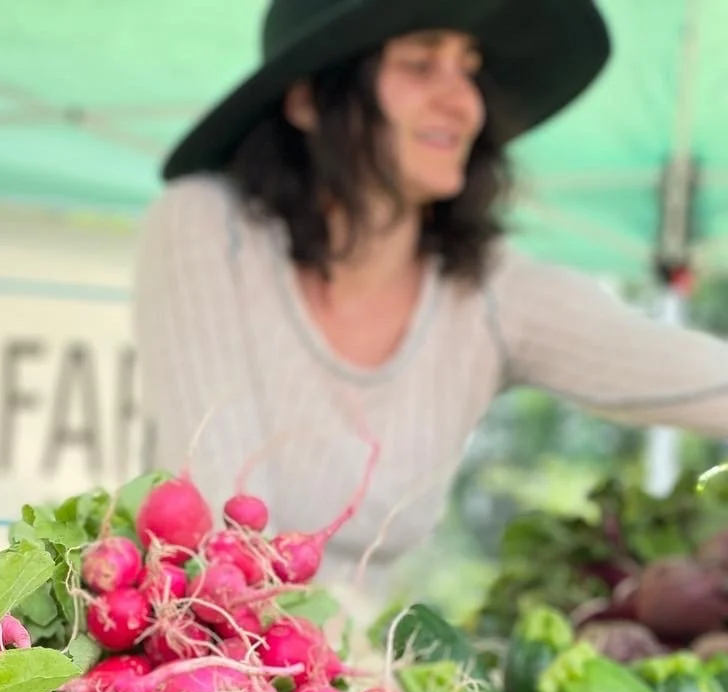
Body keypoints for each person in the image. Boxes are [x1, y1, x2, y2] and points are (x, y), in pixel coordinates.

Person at [133, 0, 728, 606]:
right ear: (309, 99)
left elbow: (701, 380)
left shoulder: (489, 294)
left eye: (468, 68)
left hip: (366, 663)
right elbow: (224, 535)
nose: (464, 102)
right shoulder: (206, 228)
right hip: (204, 655)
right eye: (420, 64)